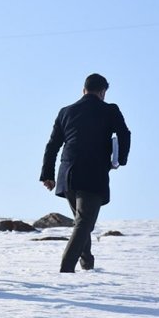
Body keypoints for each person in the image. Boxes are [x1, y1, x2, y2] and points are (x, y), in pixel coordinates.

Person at [40, 73, 131, 273]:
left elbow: (52, 145)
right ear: (102, 92)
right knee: (83, 224)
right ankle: (66, 270)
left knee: (83, 222)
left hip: (67, 176)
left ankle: (87, 262)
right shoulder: (109, 110)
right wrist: (119, 161)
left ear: (83, 90)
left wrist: (47, 174)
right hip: (93, 175)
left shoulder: (66, 112)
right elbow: (125, 134)